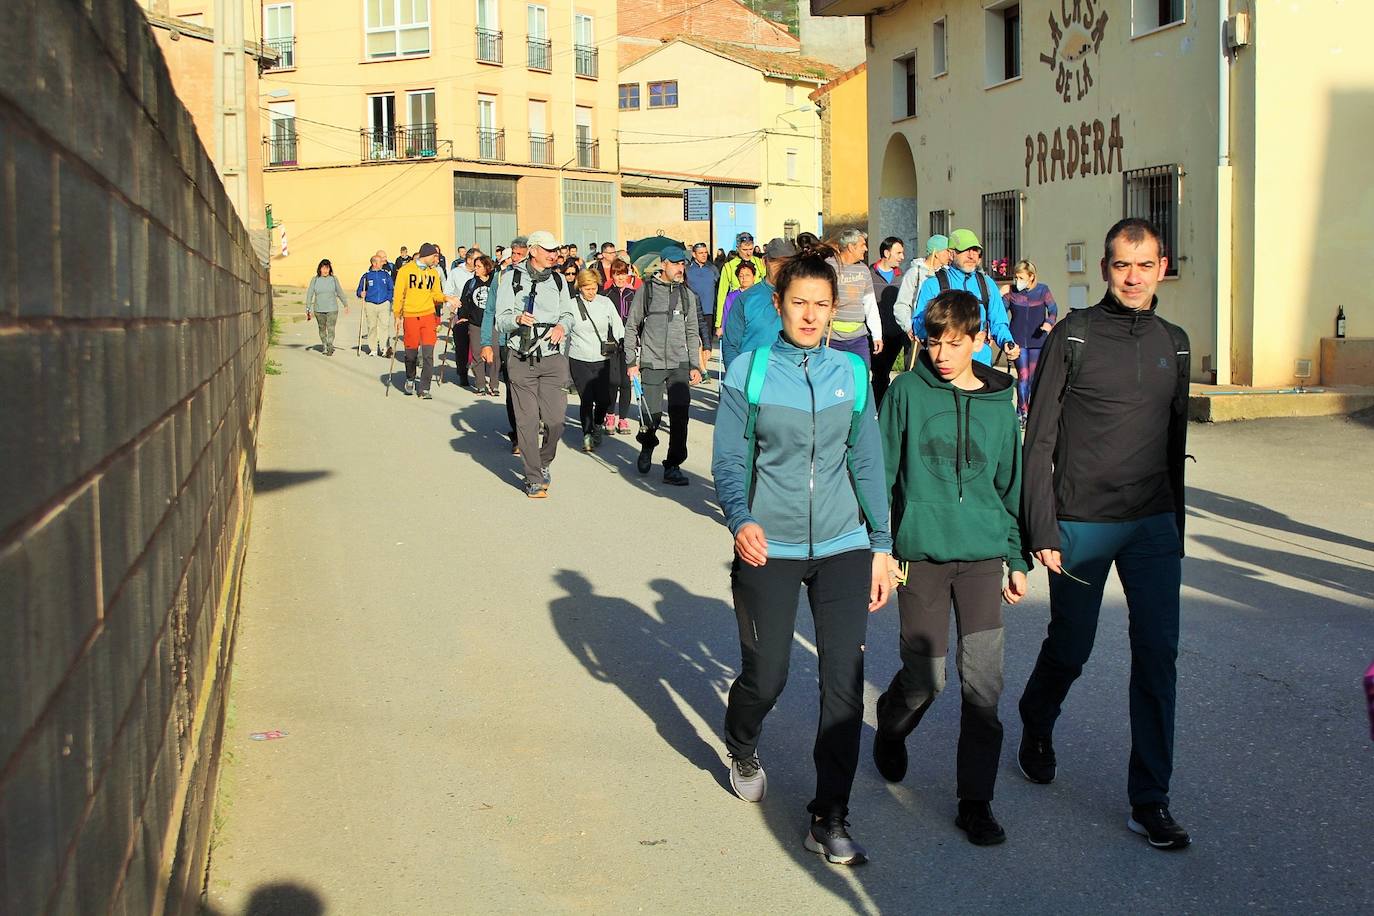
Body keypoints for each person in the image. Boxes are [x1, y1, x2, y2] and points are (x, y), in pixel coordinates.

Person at [1017, 218, 1193, 852]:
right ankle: (1037, 719)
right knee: (1073, 645)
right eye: (1122, 265)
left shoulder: (1174, 344)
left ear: (1162, 266)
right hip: (1083, 523)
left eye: (1145, 265)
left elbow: (1175, 444)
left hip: (1151, 525)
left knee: (1158, 658)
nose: (1134, 276)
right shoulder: (1074, 335)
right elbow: (1039, 441)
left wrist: (1175, 524)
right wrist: (1041, 526)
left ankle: (1151, 798)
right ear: (1105, 269)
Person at [711, 251, 893, 866]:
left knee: (843, 683)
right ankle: (742, 743)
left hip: (843, 545)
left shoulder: (852, 373)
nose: (811, 315)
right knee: (769, 674)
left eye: (822, 304)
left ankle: (830, 816)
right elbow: (730, 460)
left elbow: (868, 462)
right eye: (800, 303)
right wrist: (741, 519)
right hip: (770, 546)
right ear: (778, 303)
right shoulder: (751, 370)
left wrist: (882, 547)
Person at [871, 289, 1030, 847]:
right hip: (921, 557)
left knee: (983, 684)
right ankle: (890, 725)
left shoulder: (1000, 401)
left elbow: (1009, 484)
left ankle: (975, 802)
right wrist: (881, 549)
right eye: (934, 340)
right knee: (926, 679)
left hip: (984, 558)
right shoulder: (906, 392)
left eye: (955, 342)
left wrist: (1015, 556)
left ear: (979, 341)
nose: (942, 352)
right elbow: (881, 474)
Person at [493, 230, 575, 498]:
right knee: (527, 421)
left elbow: (568, 314)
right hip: (521, 357)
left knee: (556, 422)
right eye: (549, 250)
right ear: (533, 250)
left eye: (555, 250)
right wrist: (516, 320)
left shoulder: (560, 280)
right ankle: (533, 478)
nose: (554, 255)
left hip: (553, 358)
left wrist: (563, 325)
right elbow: (500, 319)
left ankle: (544, 460)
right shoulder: (511, 277)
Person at [623, 247, 702, 486]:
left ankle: (673, 465)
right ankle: (647, 446)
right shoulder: (646, 291)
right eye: (677, 264)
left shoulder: (687, 295)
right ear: (664, 264)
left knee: (680, 417)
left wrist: (695, 365)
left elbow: (692, 331)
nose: (681, 268)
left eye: (683, 265)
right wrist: (631, 362)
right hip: (652, 362)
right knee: (650, 415)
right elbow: (631, 327)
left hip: (679, 363)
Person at [912, 230, 1018, 368]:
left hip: (980, 363)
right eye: (965, 250)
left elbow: (998, 322)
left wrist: (1007, 342)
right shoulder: (933, 284)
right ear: (951, 253)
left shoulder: (987, 284)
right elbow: (918, 327)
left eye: (975, 250)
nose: (972, 255)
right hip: (945, 363)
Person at [567, 269, 626, 452]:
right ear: (580, 287)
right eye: (587, 288)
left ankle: (598, 424)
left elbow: (617, 325)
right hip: (579, 358)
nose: (591, 292)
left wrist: (622, 341)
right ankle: (586, 433)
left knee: (603, 399)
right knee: (586, 397)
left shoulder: (605, 303)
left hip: (602, 358)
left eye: (594, 288)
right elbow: (564, 329)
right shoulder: (571, 305)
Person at [720, 238, 793, 372]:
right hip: (755, 377)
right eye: (776, 261)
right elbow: (730, 345)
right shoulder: (746, 299)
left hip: (792, 379)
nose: (783, 267)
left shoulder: (804, 298)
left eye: (788, 262)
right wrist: (737, 380)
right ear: (764, 261)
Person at [1003, 259, 1059, 425]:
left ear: (1031, 277)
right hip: (1018, 340)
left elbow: (1054, 309)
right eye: (1015, 277)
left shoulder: (1043, 291)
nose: (1017, 281)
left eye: (1021, 278)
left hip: (1037, 341)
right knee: (1023, 376)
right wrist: (1000, 294)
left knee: (1033, 378)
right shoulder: (1012, 292)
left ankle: (1030, 411)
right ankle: (1023, 413)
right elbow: (1000, 311)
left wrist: (1049, 322)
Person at [392, 242, 451, 398]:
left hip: (428, 316)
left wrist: (447, 298)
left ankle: (424, 388)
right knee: (411, 354)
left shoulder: (433, 273)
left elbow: (436, 294)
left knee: (428, 354)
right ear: (427, 255)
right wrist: (397, 315)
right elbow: (398, 294)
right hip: (410, 316)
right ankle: (410, 378)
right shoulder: (405, 271)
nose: (436, 260)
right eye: (435, 256)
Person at [824, 229, 884, 369]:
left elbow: (870, 304)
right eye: (862, 244)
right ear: (851, 247)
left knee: (861, 377)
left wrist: (877, 335)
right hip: (832, 337)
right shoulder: (828, 267)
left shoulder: (863, 270)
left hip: (858, 339)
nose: (866, 248)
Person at [869, 237, 908, 405]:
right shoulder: (868, 275)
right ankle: (877, 410)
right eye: (898, 253)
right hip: (877, 336)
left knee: (889, 373)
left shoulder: (903, 277)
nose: (902, 257)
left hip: (897, 334)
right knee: (880, 374)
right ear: (886, 253)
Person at [893, 235, 952, 339]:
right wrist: (909, 327)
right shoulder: (915, 273)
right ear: (936, 253)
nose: (950, 255)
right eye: (947, 251)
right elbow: (902, 304)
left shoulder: (948, 274)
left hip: (941, 334)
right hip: (917, 336)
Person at [604, 260, 637, 436]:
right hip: (611, 343)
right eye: (617, 274)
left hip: (629, 343)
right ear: (613, 276)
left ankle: (623, 418)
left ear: (628, 274)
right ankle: (609, 414)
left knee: (625, 382)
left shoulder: (634, 295)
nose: (620, 277)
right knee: (612, 381)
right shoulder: (606, 294)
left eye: (623, 273)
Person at [459, 255, 498, 395]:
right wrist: (463, 316)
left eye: (479, 266)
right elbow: (464, 301)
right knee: (476, 354)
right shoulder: (471, 283)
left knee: (495, 354)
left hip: (493, 324)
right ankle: (481, 384)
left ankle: (494, 384)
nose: (476, 269)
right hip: (475, 324)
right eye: (475, 266)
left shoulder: (495, 283)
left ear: (487, 268)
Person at [714, 232, 765, 338]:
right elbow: (722, 295)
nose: (748, 253)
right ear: (738, 248)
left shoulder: (760, 263)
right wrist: (719, 324)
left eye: (750, 249)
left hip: (757, 315)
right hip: (736, 315)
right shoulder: (728, 267)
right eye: (745, 250)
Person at [685, 243, 721, 379]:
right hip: (692, 310)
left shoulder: (712, 269)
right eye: (701, 253)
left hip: (708, 310)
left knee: (706, 342)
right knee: (694, 340)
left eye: (705, 252)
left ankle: (703, 368)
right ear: (694, 254)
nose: (704, 255)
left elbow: (718, 288)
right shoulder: (687, 270)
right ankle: (698, 368)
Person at [444, 249, 479, 386]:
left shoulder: (481, 272)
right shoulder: (456, 273)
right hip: (460, 314)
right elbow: (448, 292)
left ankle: (478, 375)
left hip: (477, 314)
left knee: (477, 346)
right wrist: (451, 304)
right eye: (476, 260)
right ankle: (462, 373)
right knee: (462, 347)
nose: (478, 263)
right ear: (469, 260)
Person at [304, 258, 349, 356]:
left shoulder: (333, 279)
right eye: (323, 268)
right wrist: (308, 308)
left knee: (331, 328)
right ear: (320, 269)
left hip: (332, 309)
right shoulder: (315, 280)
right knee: (322, 328)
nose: (325, 270)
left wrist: (345, 304)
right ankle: (324, 345)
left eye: (327, 268)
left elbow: (339, 291)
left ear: (330, 269)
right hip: (319, 309)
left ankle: (330, 344)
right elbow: (310, 294)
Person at [355, 255, 394, 357]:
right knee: (372, 326)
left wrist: (388, 299)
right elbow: (359, 290)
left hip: (384, 303)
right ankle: (373, 349)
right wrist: (361, 293)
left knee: (384, 326)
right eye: (380, 261)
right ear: (374, 263)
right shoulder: (366, 276)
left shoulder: (385, 275)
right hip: (370, 304)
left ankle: (384, 348)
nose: (383, 263)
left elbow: (391, 288)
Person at [718, 260, 757, 332]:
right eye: (741, 276)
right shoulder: (731, 297)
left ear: (754, 277)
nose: (744, 278)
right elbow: (727, 317)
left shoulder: (759, 295)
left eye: (747, 275)